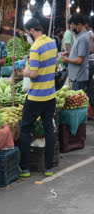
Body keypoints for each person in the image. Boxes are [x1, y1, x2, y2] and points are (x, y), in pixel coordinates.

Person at [20, 18, 58, 178]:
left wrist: (24, 72)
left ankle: (25, 169)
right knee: (49, 129)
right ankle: (48, 168)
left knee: (25, 129)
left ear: (31, 31)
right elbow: (55, 65)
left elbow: (33, 74)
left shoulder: (35, 47)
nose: (27, 35)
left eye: (27, 33)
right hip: (50, 95)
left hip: (36, 97)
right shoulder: (52, 42)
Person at [61, 14, 90, 91]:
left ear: (79, 25)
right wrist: (68, 54)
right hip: (77, 75)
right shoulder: (80, 36)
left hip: (79, 76)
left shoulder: (83, 38)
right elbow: (78, 53)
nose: (73, 29)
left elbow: (80, 60)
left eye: (73, 27)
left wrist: (66, 60)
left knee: (77, 101)